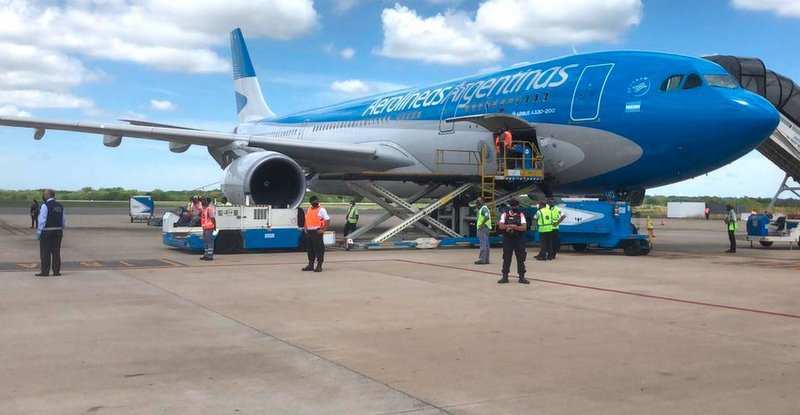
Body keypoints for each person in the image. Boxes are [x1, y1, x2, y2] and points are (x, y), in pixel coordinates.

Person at [497, 199, 529, 284]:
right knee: (506, 258)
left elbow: (524, 227)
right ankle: (505, 276)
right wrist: (509, 226)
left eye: (515, 206)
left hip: (519, 239)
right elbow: (500, 226)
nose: (515, 207)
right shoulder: (505, 214)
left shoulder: (521, 214)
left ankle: (522, 277)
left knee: (521, 258)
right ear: (510, 206)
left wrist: (514, 227)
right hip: (508, 239)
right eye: (513, 206)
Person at [36, 189, 64, 277]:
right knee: (56, 252)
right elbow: (63, 219)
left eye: (44, 194)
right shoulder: (60, 206)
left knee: (45, 252)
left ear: (48, 195)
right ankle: (56, 271)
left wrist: (39, 232)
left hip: (47, 231)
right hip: (58, 231)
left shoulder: (45, 206)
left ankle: (45, 271)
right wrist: (60, 228)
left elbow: (42, 220)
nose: (43, 196)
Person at [303, 195, 330, 272]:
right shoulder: (309, 209)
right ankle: (310, 265)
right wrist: (305, 228)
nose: (315, 203)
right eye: (313, 202)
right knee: (310, 249)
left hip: (317, 232)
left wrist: (323, 230)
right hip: (309, 232)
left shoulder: (321, 210)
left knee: (319, 249)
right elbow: (307, 219)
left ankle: (319, 265)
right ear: (310, 203)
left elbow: (327, 220)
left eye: (316, 201)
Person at [474, 196, 492, 265]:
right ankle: (486, 259)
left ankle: (482, 259)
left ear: (483, 201)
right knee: (486, 244)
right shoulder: (483, 208)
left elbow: (486, 217)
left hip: (483, 228)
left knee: (483, 244)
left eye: (479, 200)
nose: (477, 202)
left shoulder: (484, 209)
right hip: (485, 227)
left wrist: (481, 224)